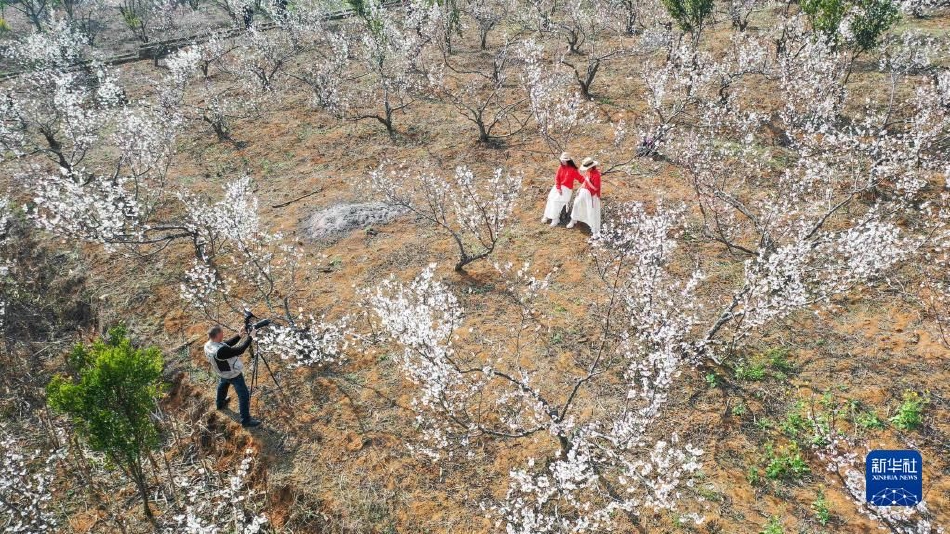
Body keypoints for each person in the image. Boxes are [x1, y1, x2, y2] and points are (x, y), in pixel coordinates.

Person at [204, 325, 262, 428]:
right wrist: (251, 337)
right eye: (221, 334)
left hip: (222, 372)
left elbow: (225, 345)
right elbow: (240, 350)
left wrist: (239, 336)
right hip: (233, 374)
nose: (223, 335)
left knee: (222, 386)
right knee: (243, 395)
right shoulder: (221, 351)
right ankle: (246, 420)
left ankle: (220, 404)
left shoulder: (209, 345)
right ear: (217, 336)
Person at [542, 152, 583, 227]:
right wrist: (558, 188)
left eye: (565, 160)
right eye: (562, 160)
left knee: (557, 201)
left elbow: (580, 178)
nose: (563, 161)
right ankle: (547, 215)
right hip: (558, 187)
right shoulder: (560, 167)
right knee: (551, 198)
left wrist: (588, 181)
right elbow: (557, 178)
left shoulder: (572, 169)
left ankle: (555, 218)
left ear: (568, 160)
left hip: (567, 189)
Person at [567, 157, 601, 238]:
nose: (586, 170)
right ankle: (573, 219)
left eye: (587, 168)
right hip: (584, 191)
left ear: (591, 167)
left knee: (591, 211)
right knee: (576, 204)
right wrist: (579, 188)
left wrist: (588, 181)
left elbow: (596, 188)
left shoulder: (597, 175)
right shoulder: (588, 172)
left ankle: (594, 231)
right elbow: (585, 181)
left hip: (592, 194)